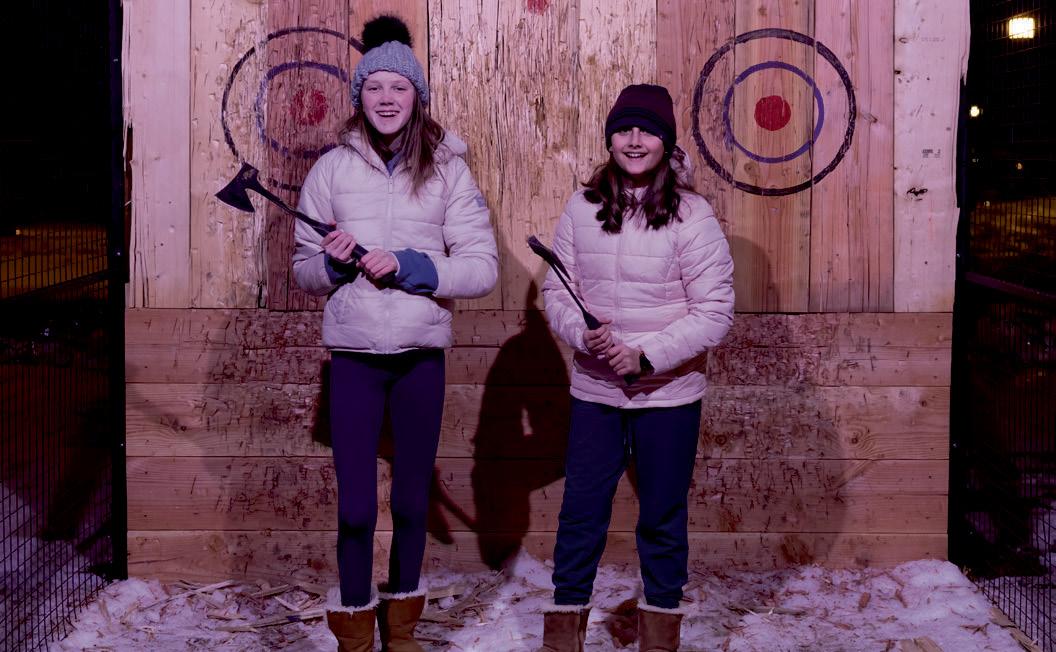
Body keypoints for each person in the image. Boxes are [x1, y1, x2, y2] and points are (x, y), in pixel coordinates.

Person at [291, 15, 498, 652]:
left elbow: (482, 268)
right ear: (360, 97)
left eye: (399, 87)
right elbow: (302, 270)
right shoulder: (331, 171)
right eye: (374, 87)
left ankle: (401, 626)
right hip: (353, 359)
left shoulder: (448, 173)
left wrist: (413, 266)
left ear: (417, 97)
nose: (386, 98)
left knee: (410, 501)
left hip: (419, 359)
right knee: (356, 508)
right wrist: (333, 265)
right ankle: (355, 630)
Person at [539, 84, 735, 652]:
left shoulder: (692, 216)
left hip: (667, 397)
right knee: (581, 514)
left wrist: (646, 355)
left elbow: (714, 312)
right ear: (610, 139)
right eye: (624, 129)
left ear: (665, 142)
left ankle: (660, 636)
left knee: (662, 517)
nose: (634, 140)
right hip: (596, 392)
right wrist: (582, 334)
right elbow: (558, 291)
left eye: (646, 131)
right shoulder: (582, 208)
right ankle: (563, 637)